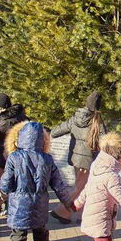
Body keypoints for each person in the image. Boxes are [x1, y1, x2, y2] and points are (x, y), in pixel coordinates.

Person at [0, 122, 73, 241]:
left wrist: (4, 192)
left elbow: (5, 184)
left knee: (18, 239)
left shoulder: (14, 157)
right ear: (42, 140)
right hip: (39, 206)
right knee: (41, 236)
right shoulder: (47, 159)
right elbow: (58, 185)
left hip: (19, 206)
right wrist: (67, 202)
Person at [49, 91, 105, 224]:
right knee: (79, 188)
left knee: (84, 188)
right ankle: (61, 211)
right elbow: (106, 142)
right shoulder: (97, 121)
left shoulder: (76, 118)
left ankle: (81, 216)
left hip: (76, 159)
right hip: (88, 160)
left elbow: (55, 132)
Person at [0, 93, 28, 216]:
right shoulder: (21, 116)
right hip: (17, 151)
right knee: (7, 178)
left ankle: (8, 199)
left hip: (5, 152)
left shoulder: (7, 120)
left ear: (4, 107)